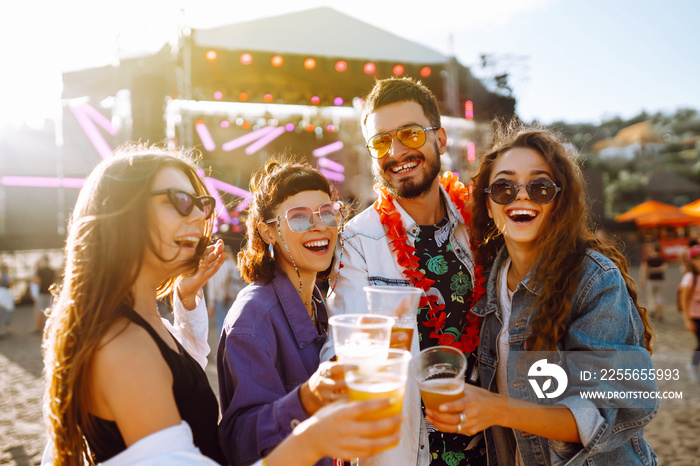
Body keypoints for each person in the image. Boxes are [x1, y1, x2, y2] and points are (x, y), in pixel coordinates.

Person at [425, 123, 658, 464]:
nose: (521, 195)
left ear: (559, 202)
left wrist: (495, 409)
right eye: (504, 187)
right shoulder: (488, 279)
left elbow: (600, 415)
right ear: (488, 206)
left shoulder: (594, 280)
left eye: (540, 187)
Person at [325, 77, 487, 465]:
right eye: (381, 142)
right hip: (404, 451)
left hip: (489, 448)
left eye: (410, 134)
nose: (397, 152)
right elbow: (341, 351)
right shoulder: (357, 241)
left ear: (441, 139)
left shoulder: (479, 227)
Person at [42, 144, 229, 465]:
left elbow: (180, 381)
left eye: (202, 203)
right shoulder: (123, 346)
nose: (201, 215)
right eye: (180, 201)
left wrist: (185, 297)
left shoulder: (139, 322)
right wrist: (307, 439)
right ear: (123, 213)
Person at [217, 158, 352, 466]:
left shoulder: (323, 304)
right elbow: (240, 442)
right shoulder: (252, 318)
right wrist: (305, 399)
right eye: (300, 218)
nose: (320, 226)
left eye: (328, 213)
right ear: (268, 233)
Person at [207, 245, 243, 335]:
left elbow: (211, 287)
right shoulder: (229, 264)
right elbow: (238, 276)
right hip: (231, 297)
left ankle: (224, 345)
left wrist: (210, 304)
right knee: (233, 322)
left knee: (221, 323)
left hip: (219, 299)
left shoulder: (213, 267)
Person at [679, 244, 700, 383]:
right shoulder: (689, 277)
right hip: (695, 316)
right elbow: (684, 300)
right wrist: (687, 320)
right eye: (697, 258)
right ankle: (692, 365)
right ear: (691, 260)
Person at [640, 242, 667, 320]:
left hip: (650, 280)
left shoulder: (648, 259)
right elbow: (664, 268)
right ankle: (659, 313)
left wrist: (643, 279)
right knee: (660, 297)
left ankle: (652, 310)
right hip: (661, 280)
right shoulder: (662, 259)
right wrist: (657, 269)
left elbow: (644, 270)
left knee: (651, 296)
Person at [34, 255, 56, 333]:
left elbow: (37, 281)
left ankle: (38, 328)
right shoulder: (52, 271)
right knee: (50, 311)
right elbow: (54, 281)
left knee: (39, 311)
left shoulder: (40, 271)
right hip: (50, 293)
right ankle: (50, 328)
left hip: (42, 292)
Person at [0, 263, 14, 336]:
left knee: (6, 309)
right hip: (3, 292)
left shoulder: (6, 276)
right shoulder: (3, 276)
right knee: (7, 309)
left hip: (5, 292)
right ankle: (4, 326)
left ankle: (5, 326)